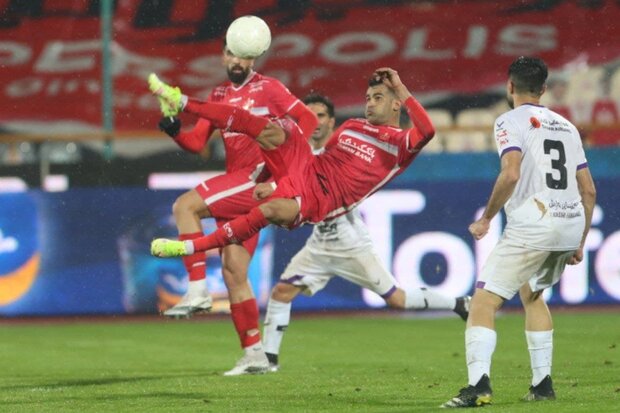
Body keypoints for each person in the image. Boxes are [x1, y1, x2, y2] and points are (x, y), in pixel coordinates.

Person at [261, 92, 470, 372]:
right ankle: (267, 360)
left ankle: (458, 303)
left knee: (397, 299)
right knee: (281, 292)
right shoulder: (302, 155)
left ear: (331, 121)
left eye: (320, 115)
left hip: (351, 243)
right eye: (308, 116)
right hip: (319, 244)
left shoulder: (344, 151)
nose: (315, 122)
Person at [149, 67, 437, 268]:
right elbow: (319, 154)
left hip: (319, 200)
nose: (370, 104)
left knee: (268, 211)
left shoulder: (401, 144)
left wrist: (400, 87)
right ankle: (183, 101)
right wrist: (272, 181)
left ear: (397, 105)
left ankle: (189, 247)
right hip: (306, 167)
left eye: (378, 98)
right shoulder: (352, 125)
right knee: (271, 127)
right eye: (368, 98)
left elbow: (428, 131)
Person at [151, 42, 318, 376]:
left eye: (245, 55)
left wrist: (290, 165)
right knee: (233, 272)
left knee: (185, 206)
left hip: (256, 179)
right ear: (224, 56)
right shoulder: (218, 95)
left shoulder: (269, 88)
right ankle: (254, 355)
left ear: (253, 56)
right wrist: (175, 131)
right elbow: (197, 142)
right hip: (237, 184)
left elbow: (308, 120)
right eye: (233, 53)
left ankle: (197, 289)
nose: (238, 60)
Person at [442, 56, 596, 408]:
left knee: (483, 301)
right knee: (533, 295)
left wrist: (486, 218)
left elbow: (510, 173)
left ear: (509, 86)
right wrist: (580, 242)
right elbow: (588, 190)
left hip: (535, 223)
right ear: (544, 89)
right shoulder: (567, 126)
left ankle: (478, 387)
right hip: (570, 222)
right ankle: (542, 385)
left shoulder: (509, 120)